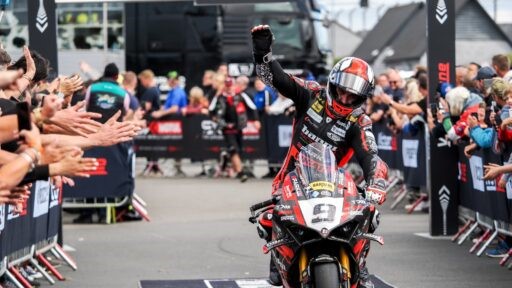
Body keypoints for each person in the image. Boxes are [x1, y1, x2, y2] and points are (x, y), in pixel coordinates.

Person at [251, 25, 388, 288]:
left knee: (368, 213)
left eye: (353, 96)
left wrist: (376, 183)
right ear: (332, 85)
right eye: (341, 91)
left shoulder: (359, 121)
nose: (345, 98)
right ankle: (280, 262)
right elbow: (275, 79)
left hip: (332, 182)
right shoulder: (311, 94)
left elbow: (371, 156)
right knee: (269, 219)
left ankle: (360, 263)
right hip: (291, 178)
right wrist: (262, 52)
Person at [209, 77, 259, 183]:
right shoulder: (219, 96)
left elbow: (252, 107)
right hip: (226, 127)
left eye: (230, 85)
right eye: (226, 86)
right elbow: (211, 109)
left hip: (238, 126)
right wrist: (214, 117)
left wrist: (256, 120)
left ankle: (226, 157)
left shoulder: (240, 95)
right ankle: (241, 173)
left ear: (233, 85)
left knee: (239, 150)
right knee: (234, 149)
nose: (228, 88)